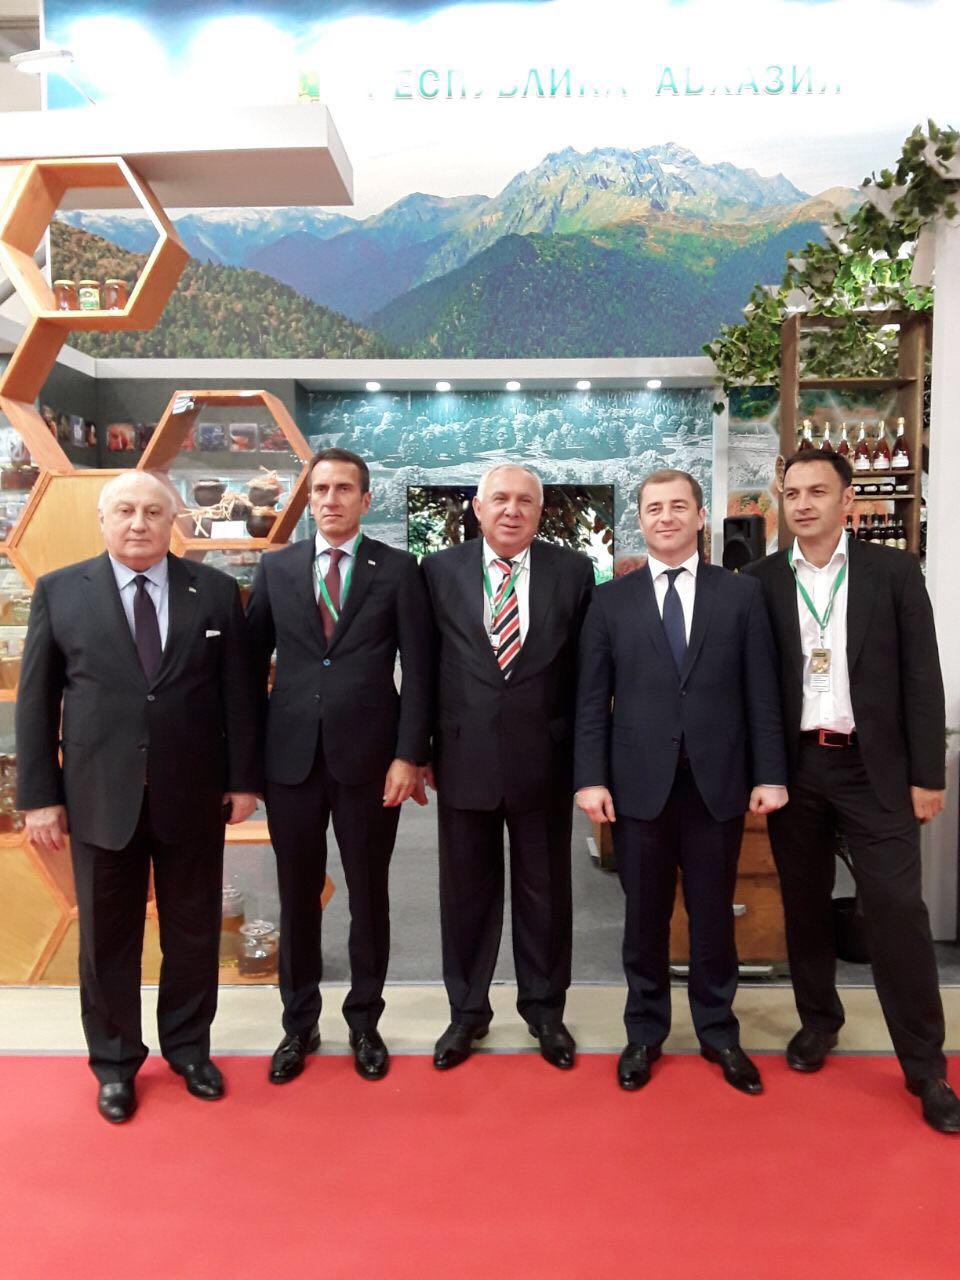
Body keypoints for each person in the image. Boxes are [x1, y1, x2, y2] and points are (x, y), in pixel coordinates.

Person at [15, 471, 260, 1124]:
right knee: (106, 940)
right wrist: (39, 797)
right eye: (124, 510)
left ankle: (188, 1050)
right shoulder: (61, 591)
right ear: (102, 519)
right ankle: (115, 1063)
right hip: (98, 797)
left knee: (193, 933)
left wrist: (243, 780)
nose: (139, 523)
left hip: (193, 795)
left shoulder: (213, 591)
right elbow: (36, 702)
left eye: (154, 511)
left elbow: (239, 695)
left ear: (172, 521)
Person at [745, 450, 960, 1134]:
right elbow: (752, 687)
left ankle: (925, 1067)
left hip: (876, 769)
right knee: (804, 903)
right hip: (797, 768)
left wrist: (928, 775)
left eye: (818, 491)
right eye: (792, 493)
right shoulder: (760, 582)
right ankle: (819, 1021)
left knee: (896, 909)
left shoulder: (892, 573)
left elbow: (922, 677)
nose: (803, 503)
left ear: (848, 502)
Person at [575, 469, 788, 1094]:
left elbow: (762, 693)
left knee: (712, 915)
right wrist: (590, 779)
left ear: (700, 517)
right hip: (637, 787)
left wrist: (770, 773)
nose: (665, 517)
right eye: (653, 508)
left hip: (717, 785)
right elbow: (591, 701)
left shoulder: (740, 595)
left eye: (677, 506)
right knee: (643, 917)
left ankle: (719, 1031)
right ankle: (644, 1032)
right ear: (640, 520)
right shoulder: (610, 601)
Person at [246, 447, 432, 1083]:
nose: (331, 499)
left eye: (344, 489)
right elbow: (247, 669)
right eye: (320, 489)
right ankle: (298, 1025)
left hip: (371, 762)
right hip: (290, 761)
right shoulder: (277, 568)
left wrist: (409, 754)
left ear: (365, 499)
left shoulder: (399, 569)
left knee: (368, 894)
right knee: (297, 896)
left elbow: (421, 671)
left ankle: (364, 1022)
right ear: (309, 498)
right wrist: (248, 766)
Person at [422, 464, 594, 1071]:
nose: (512, 510)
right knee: (465, 895)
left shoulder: (573, 572)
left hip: (543, 758)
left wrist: (587, 763)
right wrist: (417, 751)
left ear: (540, 511)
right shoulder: (438, 572)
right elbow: (423, 666)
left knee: (545, 894)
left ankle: (545, 1012)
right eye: (500, 499)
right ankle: (466, 1012)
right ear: (478, 507)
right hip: (463, 757)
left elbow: (586, 676)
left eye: (525, 500)